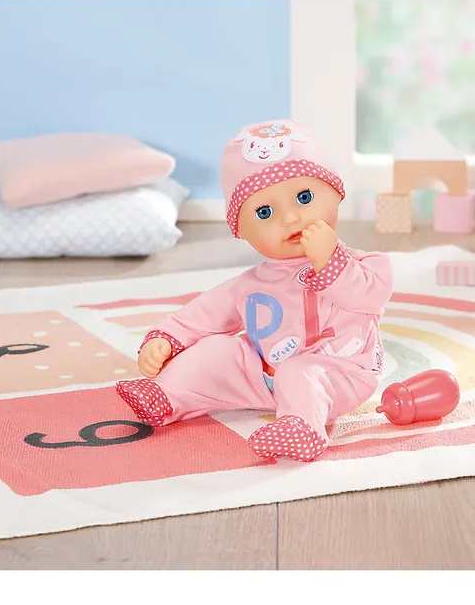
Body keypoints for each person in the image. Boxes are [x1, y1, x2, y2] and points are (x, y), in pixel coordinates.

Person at [116, 119, 392, 462]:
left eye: (304, 197)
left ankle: (302, 427)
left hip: (340, 375)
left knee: (299, 372)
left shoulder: (367, 265)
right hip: (263, 378)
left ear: (336, 194)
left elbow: (368, 295)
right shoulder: (250, 284)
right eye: (265, 212)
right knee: (216, 349)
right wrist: (166, 338)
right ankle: (166, 396)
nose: (290, 218)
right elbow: (203, 314)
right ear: (241, 230)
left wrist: (330, 260)